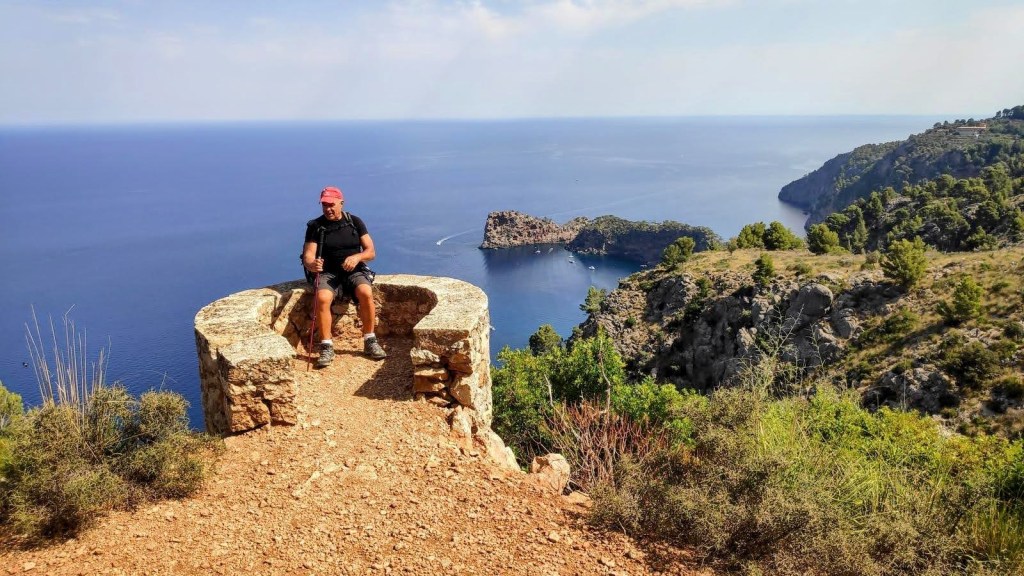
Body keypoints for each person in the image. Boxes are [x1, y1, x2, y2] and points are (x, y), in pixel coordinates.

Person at [302, 186, 387, 367]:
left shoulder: (354, 222)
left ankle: (370, 340)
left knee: (366, 292)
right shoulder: (315, 227)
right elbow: (308, 256)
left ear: (341, 203)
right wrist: (312, 265)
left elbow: (371, 252)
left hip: (354, 271)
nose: (328, 209)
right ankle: (326, 345)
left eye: (331, 205)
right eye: (324, 205)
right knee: (322, 298)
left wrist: (357, 257)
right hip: (327, 272)